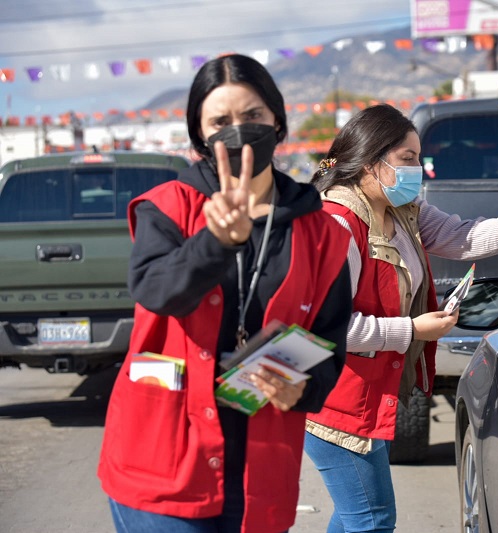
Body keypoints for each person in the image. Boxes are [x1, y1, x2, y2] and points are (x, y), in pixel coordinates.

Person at [96, 54, 353, 533]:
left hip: (263, 464)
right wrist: (215, 243)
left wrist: (306, 387)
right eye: (221, 121)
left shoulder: (324, 234)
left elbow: (330, 337)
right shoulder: (169, 207)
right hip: (165, 463)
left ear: (277, 120)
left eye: (252, 115)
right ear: (200, 134)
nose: (239, 130)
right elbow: (156, 291)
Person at [304, 103, 498, 532]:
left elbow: (462, 236)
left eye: (419, 159)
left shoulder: (401, 210)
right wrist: (411, 330)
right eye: (407, 160)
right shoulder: (336, 225)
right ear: (371, 163)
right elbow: (329, 327)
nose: (417, 171)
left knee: (354, 518)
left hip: (366, 399)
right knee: (371, 520)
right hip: (334, 404)